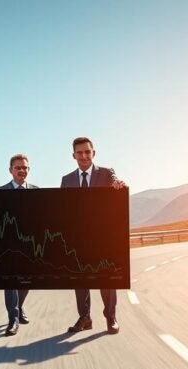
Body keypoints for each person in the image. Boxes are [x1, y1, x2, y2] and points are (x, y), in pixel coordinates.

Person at [60, 137, 127, 335]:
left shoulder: (106, 174)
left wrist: (118, 185)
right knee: (80, 280)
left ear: (93, 153)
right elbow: (62, 208)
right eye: (79, 153)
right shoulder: (67, 180)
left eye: (87, 152)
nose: (84, 156)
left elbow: (116, 182)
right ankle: (85, 318)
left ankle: (111, 317)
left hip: (102, 238)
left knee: (106, 279)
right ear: (73, 156)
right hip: (78, 240)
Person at [0, 154, 37, 335]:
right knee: (11, 281)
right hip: (8, 245)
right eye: (18, 167)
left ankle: (19, 307)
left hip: (29, 245)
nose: (22, 170)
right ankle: (13, 320)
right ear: (10, 170)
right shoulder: (0, 192)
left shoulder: (36, 191)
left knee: (27, 281)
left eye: (25, 168)